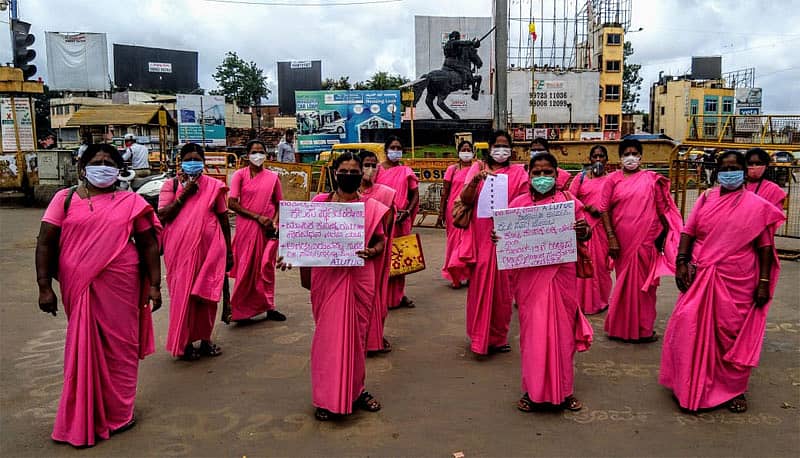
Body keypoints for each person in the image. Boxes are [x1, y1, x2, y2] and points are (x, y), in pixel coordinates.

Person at [35, 143, 162, 447]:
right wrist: (44, 286)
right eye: (96, 161)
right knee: (84, 347)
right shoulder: (63, 199)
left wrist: (155, 285)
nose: (103, 166)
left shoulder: (131, 201)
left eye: (109, 162)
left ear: (119, 169)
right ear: (82, 167)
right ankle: (84, 414)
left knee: (121, 348)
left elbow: (148, 244)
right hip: (79, 287)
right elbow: (45, 243)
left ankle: (120, 412)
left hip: (123, 287)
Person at [660, 150, 785, 413]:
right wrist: (682, 260)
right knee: (688, 326)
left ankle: (734, 390)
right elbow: (689, 231)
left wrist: (764, 282)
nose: (731, 172)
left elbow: (764, 247)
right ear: (717, 171)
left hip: (738, 279)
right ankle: (689, 383)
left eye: (736, 167)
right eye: (725, 168)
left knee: (732, 335)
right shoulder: (706, 198)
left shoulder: (756, 205)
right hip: (701, 274)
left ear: (743, 171)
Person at [278, 152, 390, 421]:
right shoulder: (319, 203)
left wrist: (372, 252)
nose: (350, 175)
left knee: (357, 337)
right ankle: (325, 396)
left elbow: (380, 241)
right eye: (345, 171)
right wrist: (288, 254)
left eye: (355, 171)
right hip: (327, 278)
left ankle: (357, 390)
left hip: (359, 277)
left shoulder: (370, 206)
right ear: (334, 172)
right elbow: (301, 237)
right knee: (328, 338)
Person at [498, 152, 593, 412]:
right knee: (533, 336)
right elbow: (507, 238)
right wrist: (501, 239)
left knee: (563, 334)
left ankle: (565, 390)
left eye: (547, 172)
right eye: (536, 173)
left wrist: (584, 231)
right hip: (530, 280)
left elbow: (586, 230)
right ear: (528, 175)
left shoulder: (569, 202)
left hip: (562, 277)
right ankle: (532, 391)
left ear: (556, 173)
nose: (542, 177)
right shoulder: (517, 204)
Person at [600, 139, 683, 343]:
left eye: (634, 153)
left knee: (645, 287)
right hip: (622, 241)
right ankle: (619, 329)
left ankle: (642, 329)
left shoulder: (651, 179)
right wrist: (611, 238)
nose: (630, 157)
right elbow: (604, 210)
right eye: (626, 153)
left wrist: (668, 235)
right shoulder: (612, 180)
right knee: (623, 283)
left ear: (640, 156)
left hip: (647, 241)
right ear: (620, 157)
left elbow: (663, 209)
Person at [158, 143, 232, 360]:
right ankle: (186, 343)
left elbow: (223, 219)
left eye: (196, 158)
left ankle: (206, 340)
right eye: (188, 158)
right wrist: (184, 194)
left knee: (207, 296)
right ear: (180, 161)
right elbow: (163, 216)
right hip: (179, 252)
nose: (193, 162)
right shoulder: (170, 186)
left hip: (209, 251)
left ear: (203, 162)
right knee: (184, 296)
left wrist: (228, 251)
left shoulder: (214, 186)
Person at [459, 130, 529, 355]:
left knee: (503, 290)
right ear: (489, 147)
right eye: (497, 145)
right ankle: (478, 336)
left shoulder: (519, 173)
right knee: (479, 286)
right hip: (482, 237)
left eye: (505, 145)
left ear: (511, 149)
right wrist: (476, 182)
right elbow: (465, 200)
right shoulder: (477, 169)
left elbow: (526, 203)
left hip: (506, 237)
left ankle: (498, 337)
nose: (501, 150)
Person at [227, 140, 287, 323]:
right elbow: (232, 203)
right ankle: (242, 310)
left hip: (268, 231)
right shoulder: (239, 175)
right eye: (254, 151)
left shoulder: (272, 177)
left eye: (261, 152)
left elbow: (280, 204)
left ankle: (269, 306)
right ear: (247, 155)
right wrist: (257, 217)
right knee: (246, 269)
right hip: (247, 229)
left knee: (266, 269)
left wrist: (274, 223)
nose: (258, 155)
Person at [359, 150, 397, 355]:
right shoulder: (348, 192)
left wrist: (373, 245)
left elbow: (386, 226)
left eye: (374, 165)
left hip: (376, 254)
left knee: (376, 298)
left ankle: (374, 337)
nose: (371, 169)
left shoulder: (386, 193)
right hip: (353, 254)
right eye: (366, 164)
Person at [375, 135, 420, 309]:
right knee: (382, 258)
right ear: (386, 150)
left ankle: (399, 295)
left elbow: (414, 194)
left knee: (401, 257)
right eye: (393, 147)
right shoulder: (377, 170)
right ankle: (381, 295)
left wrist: (407, 211)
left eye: (398, 147)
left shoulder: (406, 171)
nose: (396, 150)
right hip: (381, 219)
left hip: (401, 220)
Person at [568, 145, 613, 315]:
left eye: (602, 156)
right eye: (595, 156)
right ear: (590, 159)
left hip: (602, 230)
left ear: (607, 160)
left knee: (600, 267)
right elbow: (570, 199)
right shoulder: (580, 179)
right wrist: (587, 207)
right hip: (583, 229)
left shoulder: (611, 180)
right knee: (582, 264)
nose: (598, 160)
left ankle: (600, 301)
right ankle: (578, 302)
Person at [439, 139, 475, 288]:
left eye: (468, 150)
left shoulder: (477, 168)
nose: (466, 153)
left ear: (473, 152)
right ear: (458, 152)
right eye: (463, 150)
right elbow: (445, 192)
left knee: (469, 243)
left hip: (471, 209)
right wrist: (440, 212)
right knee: (454, 242)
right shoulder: (452, 169)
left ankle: (468, 275)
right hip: (454, 211)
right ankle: (455, 276)